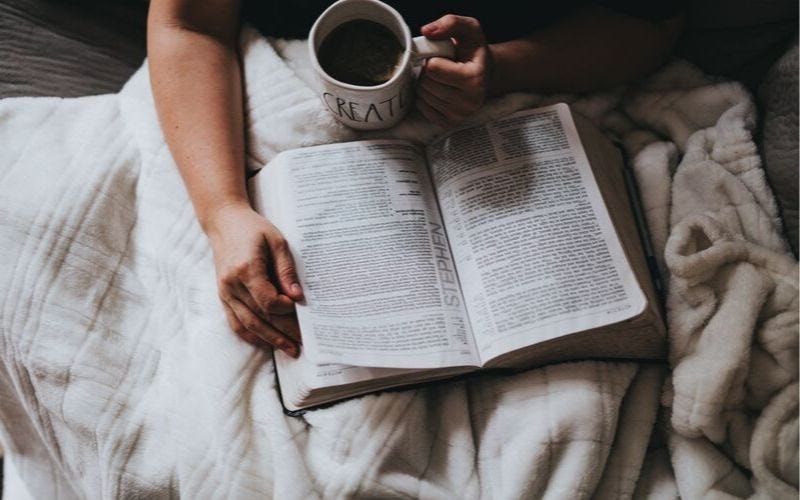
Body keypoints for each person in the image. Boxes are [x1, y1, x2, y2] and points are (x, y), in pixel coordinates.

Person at [147, 0, 684, 358]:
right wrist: (222, 211)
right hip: (245, 119)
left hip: (524, 111)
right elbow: (186, 23)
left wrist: (501, 67)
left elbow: (650, 25)